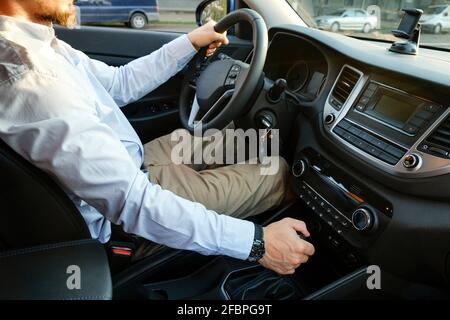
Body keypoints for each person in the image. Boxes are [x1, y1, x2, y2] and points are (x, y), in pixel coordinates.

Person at [0, 0, 314, 275]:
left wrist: (190, 42)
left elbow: (118, 83)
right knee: (277, 173)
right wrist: (258, 243)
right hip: (126, 219)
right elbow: (133, 202)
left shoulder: (42, 45)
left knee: (241, 138)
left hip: (129, 167)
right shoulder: (30, 77)